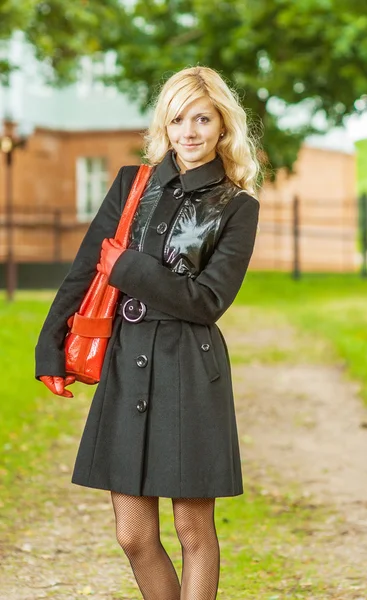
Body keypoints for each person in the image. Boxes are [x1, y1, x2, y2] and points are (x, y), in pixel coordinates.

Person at [35, 65, 262, 600]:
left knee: (191, 530)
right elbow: (88, 266)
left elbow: (207, 301)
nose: (189, 130)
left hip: (189, 365)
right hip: (125, 360)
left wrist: (131, 270)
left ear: (222, 126)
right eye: (179, 117)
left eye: (202, 118)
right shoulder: (131, 186)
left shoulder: (237, 207)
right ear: (165, 123)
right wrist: (51, 344)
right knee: (133, 535)